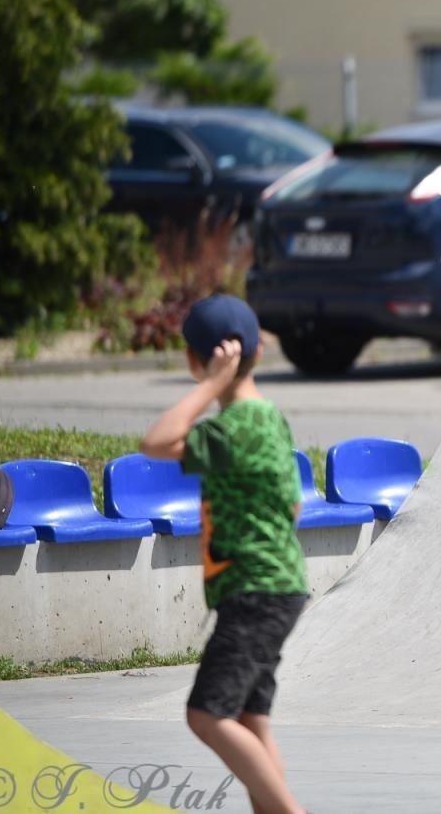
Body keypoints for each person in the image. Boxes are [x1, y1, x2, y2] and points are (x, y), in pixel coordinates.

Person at [139, 294, 310, 814]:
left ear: (197, 360)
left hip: (254, 592)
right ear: (258, 352)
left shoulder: (229, 429)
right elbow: (294, 505)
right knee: (252, 722)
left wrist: (211, 386)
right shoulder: (269, 419)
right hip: (279, 585)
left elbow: (157, 441)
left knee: (206, 715)